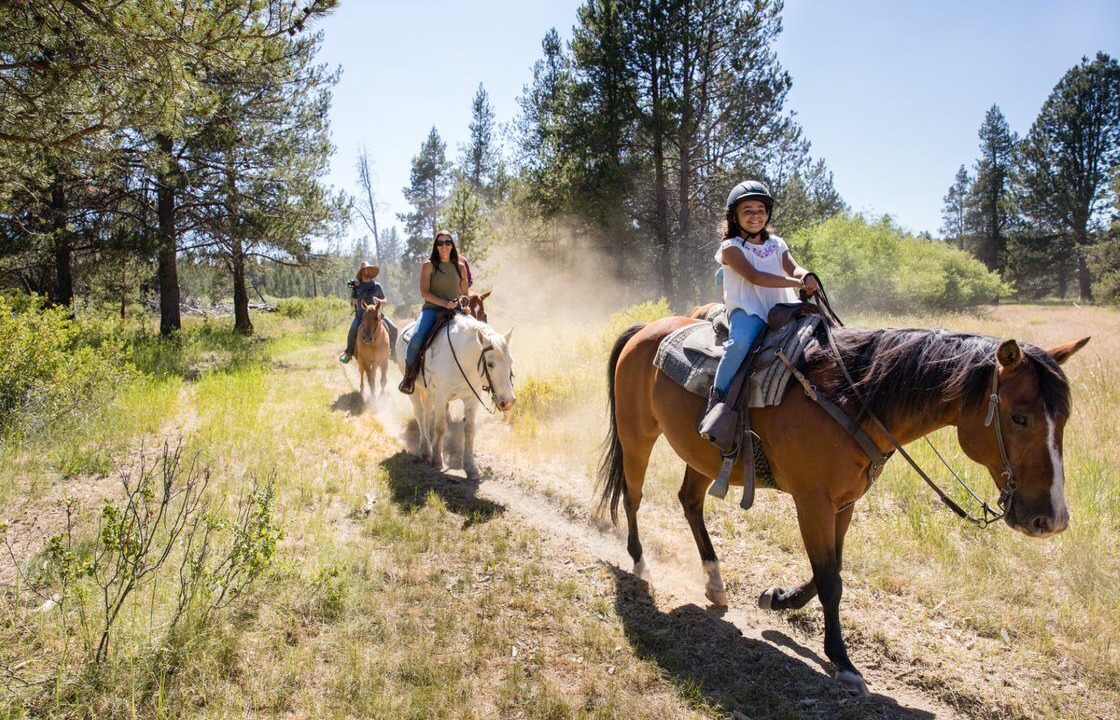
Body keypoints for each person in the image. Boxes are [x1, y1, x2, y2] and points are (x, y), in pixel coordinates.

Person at [706, 180, 820, 416]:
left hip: (782, 307)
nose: (755, 216)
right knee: (739, 344)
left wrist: (806, 275)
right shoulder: (730, 247)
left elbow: (793, 267)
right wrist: (796, 282)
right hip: (749, 310)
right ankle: (717, 400)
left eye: (761, 210)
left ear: (767, 214)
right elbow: (755, 276)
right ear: (734, 216)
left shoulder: (777, 243)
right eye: (747, 211)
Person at [398, 231, 471, 395]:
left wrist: (465, 305)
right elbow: (424, 293)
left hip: (456, 309)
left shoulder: (460, 267)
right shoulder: (428, 265)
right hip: (432, 309)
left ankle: (482, 379)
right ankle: (409, 378)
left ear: (452, 245)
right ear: (436, 246)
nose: (444, 246)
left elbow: (465, 293)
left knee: (478, 335)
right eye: (440, 243)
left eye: (448, 242)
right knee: (416, 338)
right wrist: (445, 303)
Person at [339, 261, 398, 364]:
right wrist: (354, 293)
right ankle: (348, 353)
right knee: (352, 331)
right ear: (362, 271)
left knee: (394, 329)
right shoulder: (356, 286)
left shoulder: (377, 286)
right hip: (361, 316)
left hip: (377, 316)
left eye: (370, 269)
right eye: (367, 269)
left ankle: (393, 352)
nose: (369, 271)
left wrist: (378, 301)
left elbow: (385, 301)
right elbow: (352, 304)